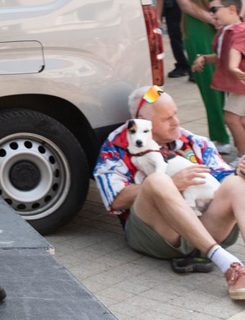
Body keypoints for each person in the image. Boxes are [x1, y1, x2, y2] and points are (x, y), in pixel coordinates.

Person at [95, 84, 245, 299]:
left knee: (237, 184)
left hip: (207, 227)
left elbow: (222, 181)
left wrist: (240, 172)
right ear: (142, 123)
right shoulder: (116, 146)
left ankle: (221, 256)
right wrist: (172, 184)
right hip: (158, 236)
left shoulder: (194, 142)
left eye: (175, 114)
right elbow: (115, 200)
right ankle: (229, 265)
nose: (177, 122)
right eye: (167, 119)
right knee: (158, 181)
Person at [174, 0, 245, 151]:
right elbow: (185, 3)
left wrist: (235, 21)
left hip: (235, 27)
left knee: (237, 81)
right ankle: (219, 137)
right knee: (211, 84)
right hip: (199, 28)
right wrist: (212, 18)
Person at [193, 0, 245, 160]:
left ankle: (242, 156)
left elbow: (236, 50)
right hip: (237, 83)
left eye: (214, 9)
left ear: (231, 9)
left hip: (241, 83)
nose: (211, 14)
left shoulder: (239, 30)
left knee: (231, 118)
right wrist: (205, 58)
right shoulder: (224, 31)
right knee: (240, 120)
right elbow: (223, 56)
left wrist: (232, 66)